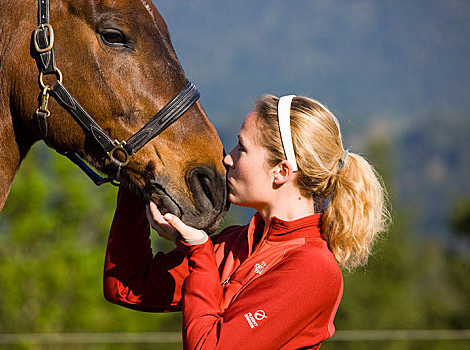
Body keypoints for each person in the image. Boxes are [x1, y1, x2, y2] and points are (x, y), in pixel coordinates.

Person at [103, 94, 389, 349]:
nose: (228, 159)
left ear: (281, 171)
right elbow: (126, 285)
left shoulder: (314, 268)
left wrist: (199, 252)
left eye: (242, 148)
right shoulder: (237, 242)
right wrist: (136, 174)